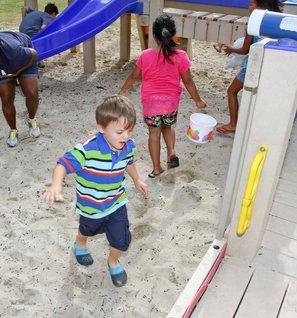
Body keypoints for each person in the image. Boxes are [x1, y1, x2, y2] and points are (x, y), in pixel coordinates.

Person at [42, 95, 149, 287]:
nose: (126, 136)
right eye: (120, 132)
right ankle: (80, 243)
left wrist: (137, 178)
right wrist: (56, 185)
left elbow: (129, 163)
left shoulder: (128, 146)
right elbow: (62, 164)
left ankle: (113, 261)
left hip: (116, 202)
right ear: (101, 128)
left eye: (130, 131)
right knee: (87, 229)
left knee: (121, 240)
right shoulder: (86, 150)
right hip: (91, 205)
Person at [119, 14, 206, 178]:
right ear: (173, 34)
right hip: (171, 104)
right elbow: (188, 81)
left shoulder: (145, 55)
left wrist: (122, 91)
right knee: (168, 126)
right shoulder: (181, 56)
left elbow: (133, 77)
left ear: (154, 35)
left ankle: (157, 168)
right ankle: (171, 152)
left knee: (154, 134)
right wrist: (198, 100)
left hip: (151, 104)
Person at [216, 0, 283, 134]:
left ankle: (233, 124)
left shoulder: (253, 22)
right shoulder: (276, 20)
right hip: (270, 65)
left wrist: (231, 49)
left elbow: (245, 50)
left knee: (231, 91)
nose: (249, 7)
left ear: (260, 5)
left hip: (253, 65)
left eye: (252, 4)